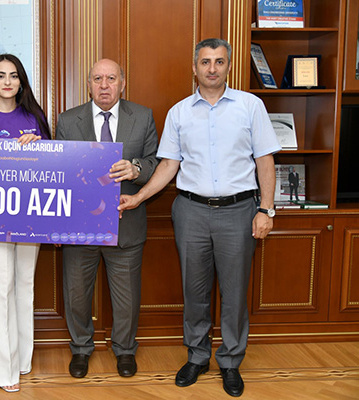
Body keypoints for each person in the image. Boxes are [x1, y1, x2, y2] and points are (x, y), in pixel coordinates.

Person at [118, 38, 280, 397]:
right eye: (205, 62)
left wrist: (266, 210)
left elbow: (265, 160)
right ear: (194, 68)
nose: (212, 68)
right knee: (194, 290)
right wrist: (138, 197)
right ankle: (197, 356)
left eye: (219, 61)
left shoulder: (250, 106)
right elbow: (168, 166)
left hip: (239, 211)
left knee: (234, 292)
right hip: (190, 211)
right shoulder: (179, 113)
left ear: (228, 67)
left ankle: (231, 362)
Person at [56, 58, 159, 379]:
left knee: (127, 298)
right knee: (76, 295)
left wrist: (136, 169)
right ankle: (80, 348)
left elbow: (157, 162)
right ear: (88, 84)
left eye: (111, 78)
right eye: (97, 79)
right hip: (79, 227)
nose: (104, 85)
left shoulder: (142, 116)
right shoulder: (67, 120)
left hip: (126, 223)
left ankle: (125, 349)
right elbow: (59, 171)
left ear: (122, 83)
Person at [0, 54, 51, 393]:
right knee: (1, 290)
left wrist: (41, 147)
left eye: (13, 76)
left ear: (21, 82)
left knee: (25, 287)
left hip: (31, 215)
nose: (7, 82)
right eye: (0, 75)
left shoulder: (35, 117)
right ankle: (4, 372)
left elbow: (53, 169)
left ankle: (23, 359)